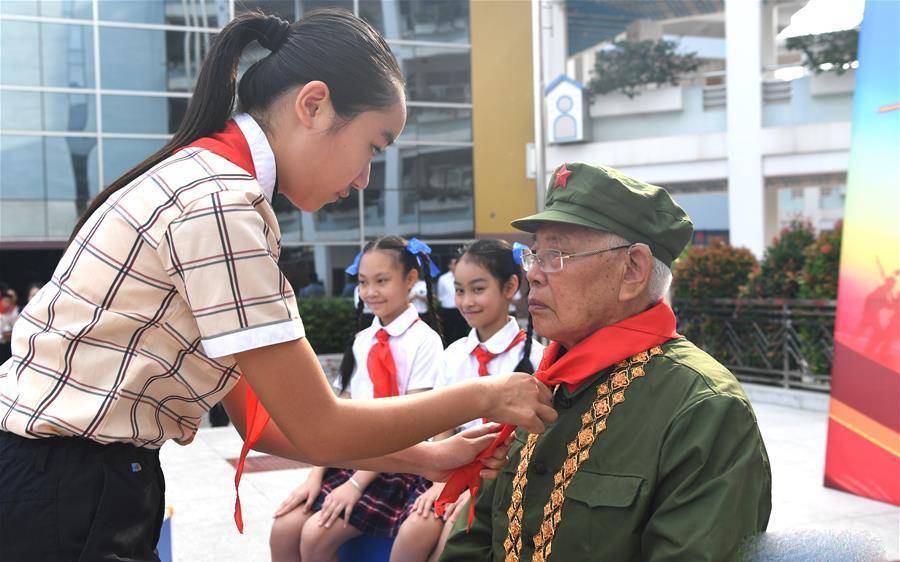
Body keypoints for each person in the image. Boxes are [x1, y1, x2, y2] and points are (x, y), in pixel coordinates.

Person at [0, 11, 555, 562]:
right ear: (313, 105)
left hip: (65, 480)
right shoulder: (223, 205)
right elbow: (320, 426)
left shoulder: (204, 183)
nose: (365, 179)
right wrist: (489, 395)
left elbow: (262, 422)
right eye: (373, 147)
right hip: (69, 488)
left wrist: (426, 457)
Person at [439, 163, 772, 562]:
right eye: (534, 255)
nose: (535, 276)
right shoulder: (545, 382)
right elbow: (473, 541)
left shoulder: (704, 409)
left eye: (556, 255)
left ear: (632, 270)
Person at [271, 236, 444, 562]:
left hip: (399, 468)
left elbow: (413, 425)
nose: (370, 292)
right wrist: (315, 475)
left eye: (382, 281)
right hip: (354, 458)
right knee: (283, 528)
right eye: (363, 283)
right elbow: (338, 418)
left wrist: (355, 485)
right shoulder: (362, 341)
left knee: (315, 536)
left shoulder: (426, 342)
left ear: (410, 279)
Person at [391, 239, 545, 562]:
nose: (466, 301)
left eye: (477, 289)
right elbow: (442, 424)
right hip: (453, 469)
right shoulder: (454, 354)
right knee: (410, 536)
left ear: (510, 286)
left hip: (504, 477)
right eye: (459, 291)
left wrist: (477, 488)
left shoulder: (535, 357)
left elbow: (531, 440)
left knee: (449, 542)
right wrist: (440, 481)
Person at [437, 257, 467, 344]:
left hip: (461, 309)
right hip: (448, 310)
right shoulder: (443, 278)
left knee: (461, 332)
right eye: (454, 264)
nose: (456, 266)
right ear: (449, 266)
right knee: (447, 332)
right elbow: (440, 294)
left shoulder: (464, 277)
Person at [0, 288, 19, 363]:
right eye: (5, 301)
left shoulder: (16, 311)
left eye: (8, 301)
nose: (7, 303)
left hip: (11, 344)